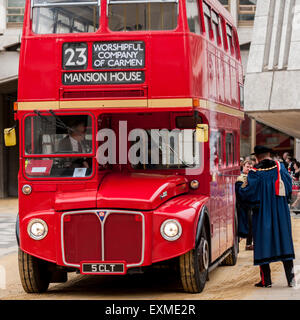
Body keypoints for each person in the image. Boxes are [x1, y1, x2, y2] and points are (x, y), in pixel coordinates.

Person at [237, 145, 295, 288]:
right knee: (285, 242)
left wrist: (238, 185)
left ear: (256, 157)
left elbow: (247, 194)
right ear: (269, 154)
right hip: (280, 212)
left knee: (263, 243)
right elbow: (289, 189)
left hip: (263, 213)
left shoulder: (255, 172)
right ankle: (291, 280)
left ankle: (266, 281)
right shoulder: (280, 168)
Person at [235, 160, 253, 250]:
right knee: (242, 225)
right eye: (247, 167)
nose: (249, 169)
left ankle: (249, 244)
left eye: (250, 167)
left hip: (249, 204)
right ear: (243, 167)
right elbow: (240, 192)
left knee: (251, 224)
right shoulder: (240, 178)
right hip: (241, 205)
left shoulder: (252, 177)